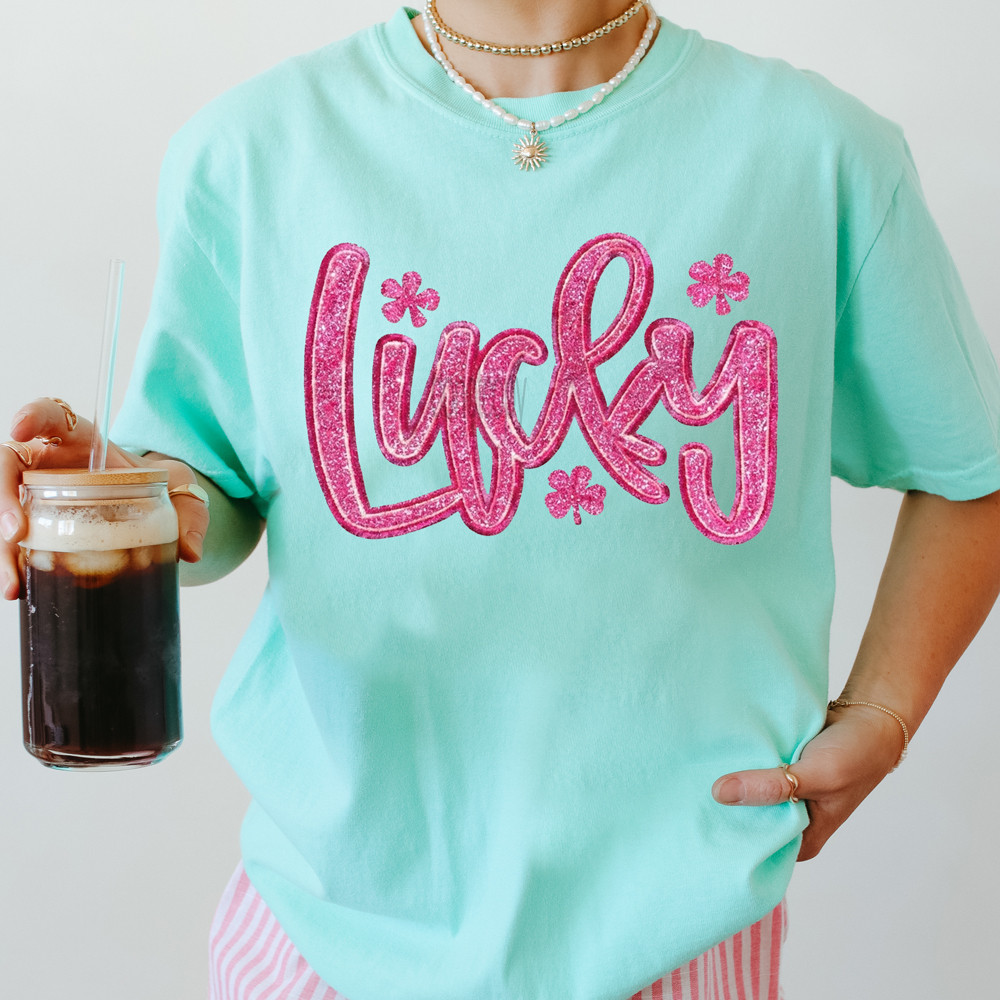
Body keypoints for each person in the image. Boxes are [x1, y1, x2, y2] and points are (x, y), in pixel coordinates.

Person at [3, 3, 1000, 998]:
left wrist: (883, 711)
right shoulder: (251, 151)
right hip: (322, 931)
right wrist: (117, 492)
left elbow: (973, 471)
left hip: (678, 926)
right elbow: (206, 494)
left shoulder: (820, 157)